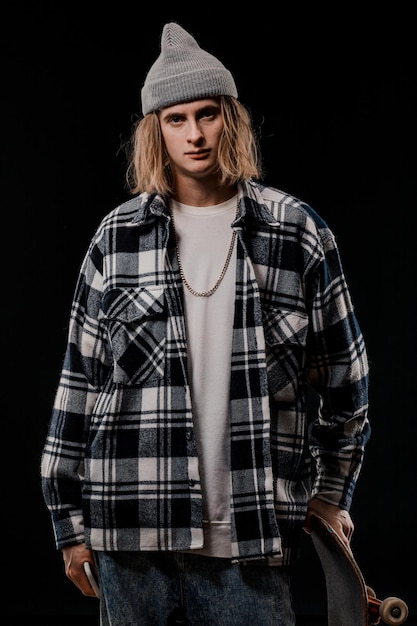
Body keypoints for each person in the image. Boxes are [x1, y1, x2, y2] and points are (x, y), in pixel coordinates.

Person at [41, 22, 371, 626]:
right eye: (175, 119)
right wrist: (68, 523)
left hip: (253, 539)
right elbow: (78, 389)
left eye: (207, 114)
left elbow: (347, 385)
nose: (194, 134)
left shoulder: (296, 232)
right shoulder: (116, 239)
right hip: (130, 538)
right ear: (155, 132)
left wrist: (330, 495)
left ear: (231, 119)